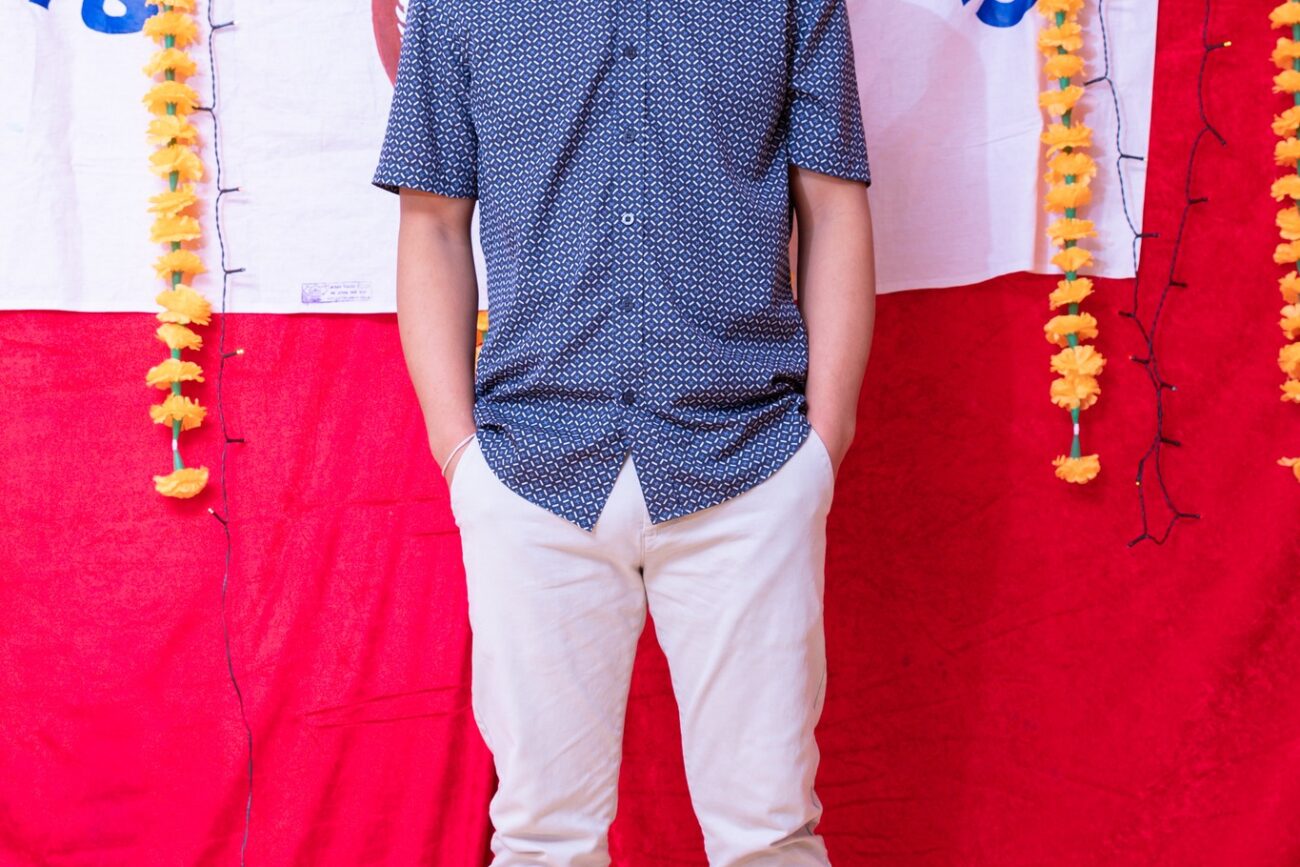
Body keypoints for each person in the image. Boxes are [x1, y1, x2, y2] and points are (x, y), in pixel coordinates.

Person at [372, 0, 876, 861]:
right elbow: (432, 223)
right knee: (542, 839)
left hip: (747, 462)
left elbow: (833, 205)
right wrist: (458, 453)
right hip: (532, 471)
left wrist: (821, 446)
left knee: (770, 834)